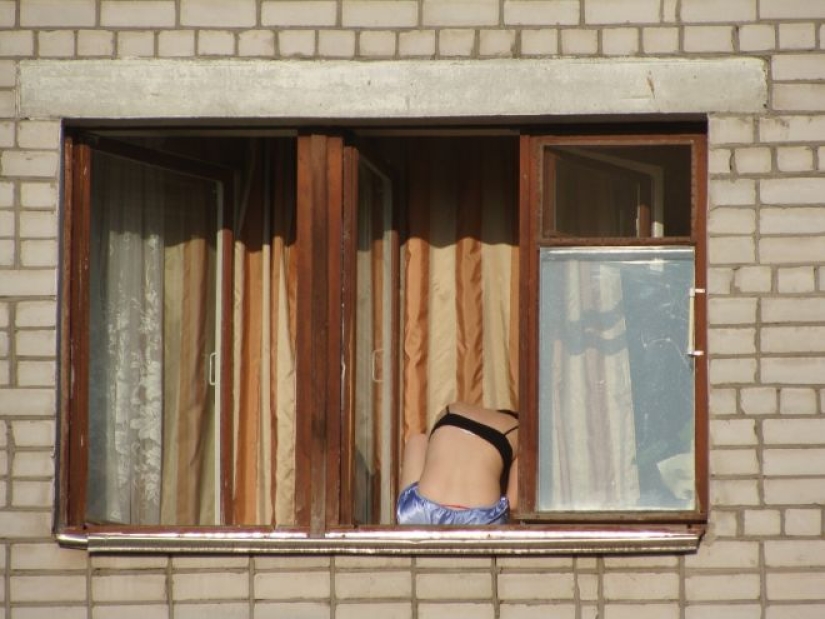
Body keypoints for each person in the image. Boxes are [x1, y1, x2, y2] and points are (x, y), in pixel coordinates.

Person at [395, 401, 519, 525]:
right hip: (481, 520)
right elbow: (513, 506)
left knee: (418, 440)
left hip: (422, 511)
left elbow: (418, 441)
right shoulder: (519, 431)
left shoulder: (455, 408)